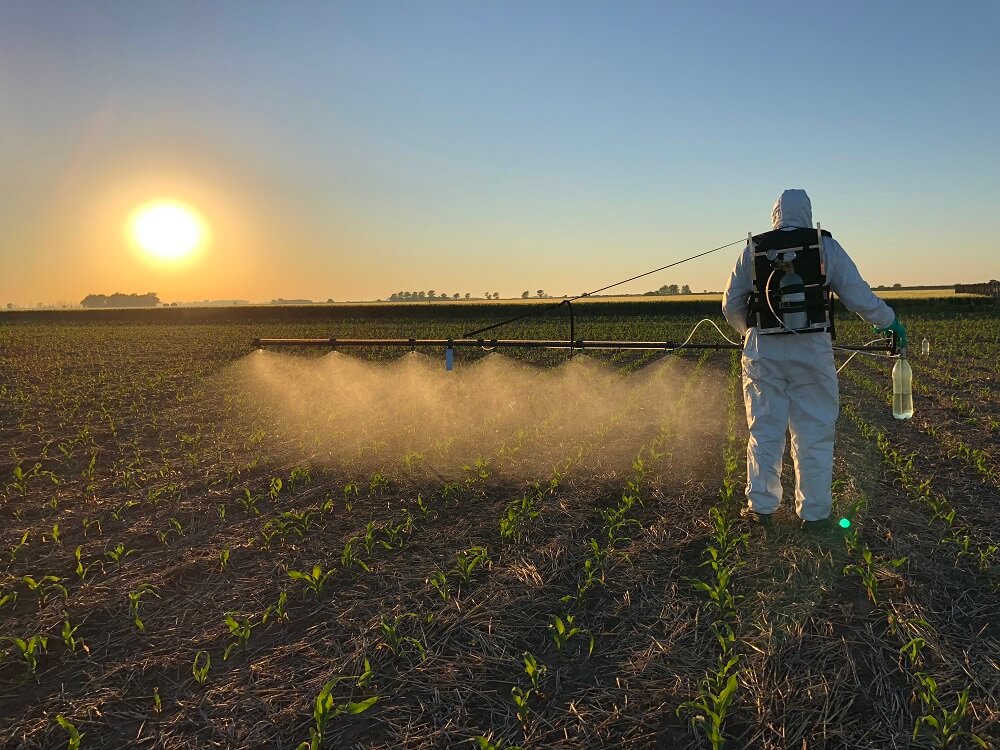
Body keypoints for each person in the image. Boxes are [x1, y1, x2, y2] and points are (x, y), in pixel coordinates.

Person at [722, 189, 906, 527]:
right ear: (807, 212)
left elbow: (730, 305)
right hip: (812, 351)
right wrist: (889, 321)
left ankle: (761, 509)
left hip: (763, 353)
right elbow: (859, 296)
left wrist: (751, 335)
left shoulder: (753, 250)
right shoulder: (825, 246)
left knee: (765, 431)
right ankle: (815, 514)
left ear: (775, 214)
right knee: (814, 433)